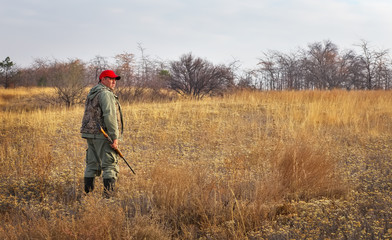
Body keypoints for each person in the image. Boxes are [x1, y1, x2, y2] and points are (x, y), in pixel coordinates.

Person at [80, 69, 124, 197]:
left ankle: (88, 195)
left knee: (92, 164)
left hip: (90, 133)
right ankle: (108, 198)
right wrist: (114, 137)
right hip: (102, 134)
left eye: (115, 79)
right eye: (110, 79)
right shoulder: (105, 94)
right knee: (110, 164)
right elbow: (109, 116)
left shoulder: (93, 92)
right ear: (103, 79)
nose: (113, 81)